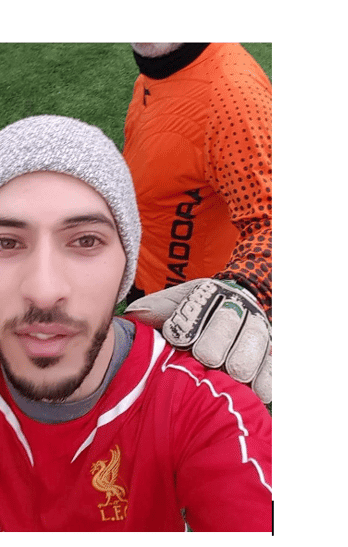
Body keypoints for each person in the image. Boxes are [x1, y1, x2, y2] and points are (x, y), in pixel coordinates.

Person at [0, 115, 272, 532]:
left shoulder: (208, 408)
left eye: (86, 241)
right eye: (6, 242)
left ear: (125, 267)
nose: (44, 291)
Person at [121, 44, 272, 403]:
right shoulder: (160, 66)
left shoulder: (234, 97)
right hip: (144, 289)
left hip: (191, 322)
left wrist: (247, 288)